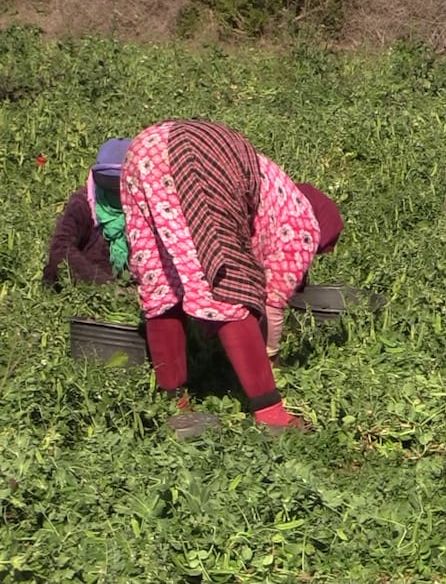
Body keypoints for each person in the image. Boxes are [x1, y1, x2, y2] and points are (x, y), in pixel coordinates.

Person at [121, 119, 344, 430]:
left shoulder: (279, 193)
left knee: (163, 280)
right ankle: (271, 414)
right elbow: (273, 303)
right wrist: (270, 356)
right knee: (226, 281)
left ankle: (173, 404)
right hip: (199, 155)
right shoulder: (303, 227)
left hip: (145, 149)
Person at [43, 137, 133, 288]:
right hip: (88, 287)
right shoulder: (83, 203)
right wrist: (106, 285)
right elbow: (60, 249)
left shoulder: (144, 204)